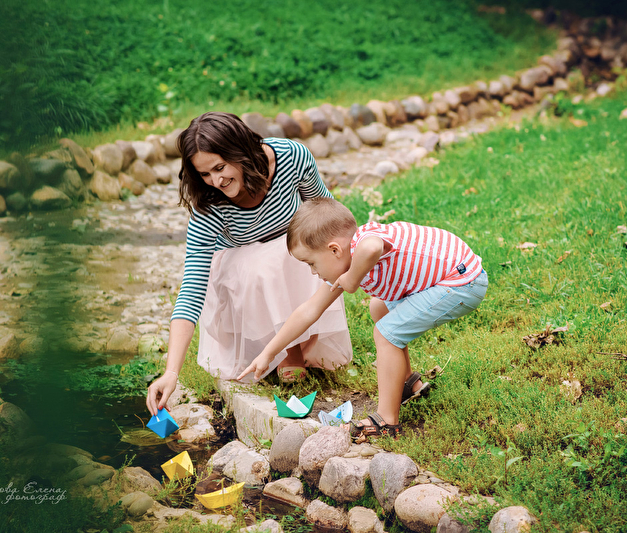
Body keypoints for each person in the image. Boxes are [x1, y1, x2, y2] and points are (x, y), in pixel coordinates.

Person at [146, 112, 352, 416]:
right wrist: (171, 372)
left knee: (299, 249)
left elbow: (326, 212)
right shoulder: (208, 203)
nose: (216, 181)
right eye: (204, 174)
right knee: (267, 261)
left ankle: (295, 346)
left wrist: (361, 253)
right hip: (242, 273)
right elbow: (192, 288)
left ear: (241, 152)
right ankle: (277, 348)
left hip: (293, 255)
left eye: (220, 167)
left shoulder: (291, 157)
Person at [237, 197, 488, 437]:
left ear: (334, 250)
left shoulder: (364, 242)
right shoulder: (347, 258)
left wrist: (352, 278)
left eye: (311, 263)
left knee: (386, 333)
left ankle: (386, 421)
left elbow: (372, 248)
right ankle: (407, 382)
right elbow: (309, 310)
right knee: (379, 308)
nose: (313, 272)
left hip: (462, 282)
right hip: (449, 278)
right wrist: (269, 353)